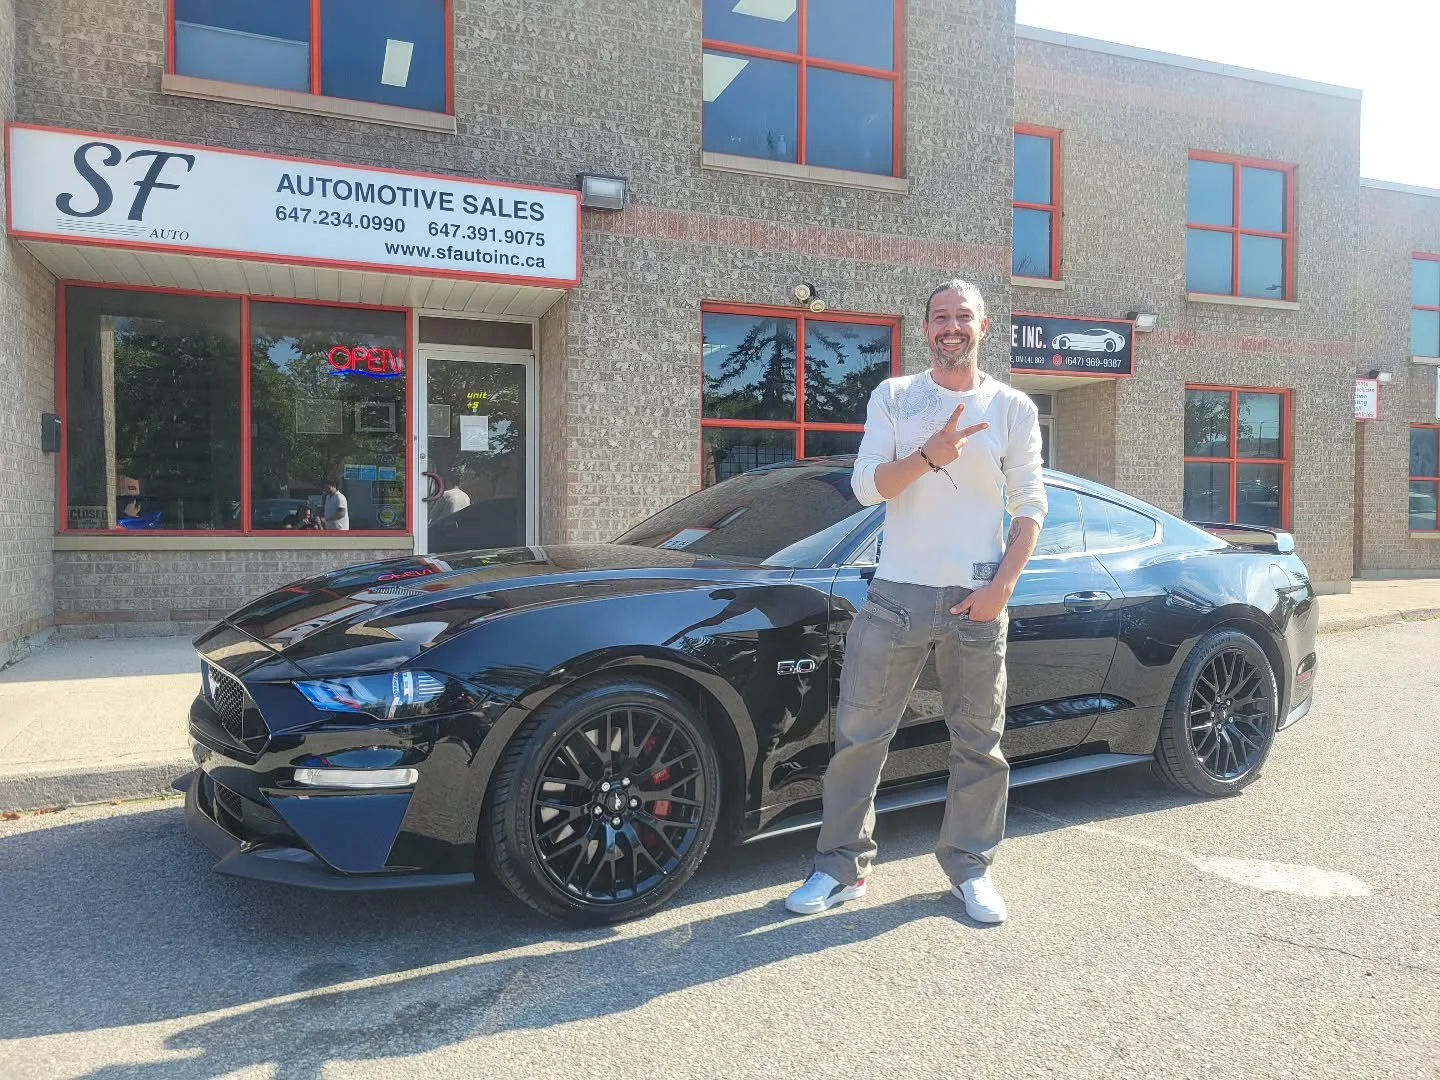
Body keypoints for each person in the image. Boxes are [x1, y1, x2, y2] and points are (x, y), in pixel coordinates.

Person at [785, 279, 1047, 924]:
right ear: (924, 328)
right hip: (896, 596)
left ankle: (970, 869)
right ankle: (839, 870)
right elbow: (868, 488)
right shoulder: (895, 397)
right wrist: (931, 454)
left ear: (984, 326)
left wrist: (1001, 589)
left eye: (963, 317)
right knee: (858, 739)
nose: (950, 327)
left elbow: (1032, 505)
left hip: (977, 599)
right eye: (939, 317)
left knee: (979, 743)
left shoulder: (1013, 407)